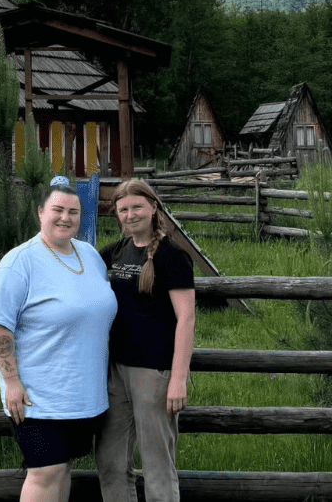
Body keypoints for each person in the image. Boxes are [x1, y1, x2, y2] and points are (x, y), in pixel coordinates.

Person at [0, 176, 118, 502]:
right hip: (38, 397)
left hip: (82, 394)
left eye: (73, 212)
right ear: (40, 212)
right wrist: (11, 382)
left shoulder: (89, 255)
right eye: (57, 210)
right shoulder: (19, 263)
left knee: (62, 467)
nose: (65, 218)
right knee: (45, 473)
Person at [96, 179, 196, 502]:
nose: (130, 215)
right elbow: (77, 266)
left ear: (153, 207)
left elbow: (186, 319)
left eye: (137, 207)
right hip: (115, 371)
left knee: (156, 463)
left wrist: (178, 379)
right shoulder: (116, 251)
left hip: (154, 372)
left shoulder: (172, 256)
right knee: (109, 459)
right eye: (123, 209)